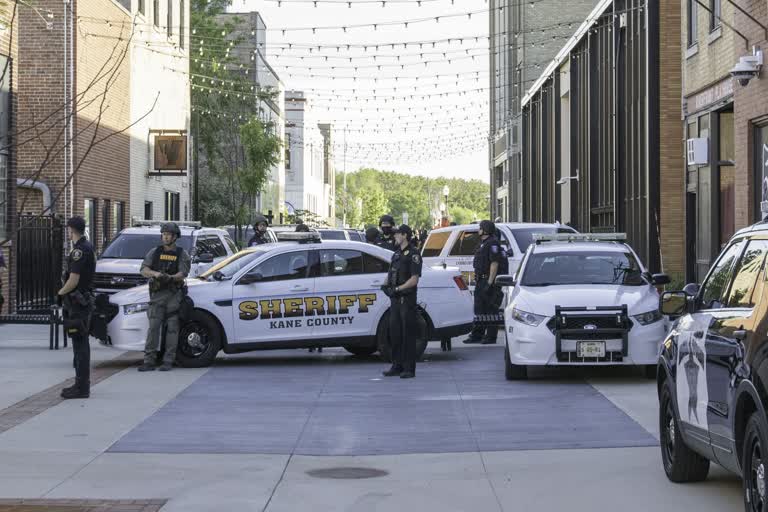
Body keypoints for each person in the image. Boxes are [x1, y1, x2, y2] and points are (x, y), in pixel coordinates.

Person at [138, 223, 191, 372]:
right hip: (157, 295)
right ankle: (149, 361)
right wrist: (156, 274)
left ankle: (168, 360)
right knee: (153, 328)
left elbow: (183, 273)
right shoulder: (155, 252)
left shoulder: (182, 253)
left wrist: (171, 278)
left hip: (173, 294)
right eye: (164, 234)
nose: (165, 236)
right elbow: (144, 269)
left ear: (175, 237)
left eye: (168, 234)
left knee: (172, 328)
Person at [57, 216, 96, 399]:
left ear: (71, 229)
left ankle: (81, 387)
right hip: (83, 301)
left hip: (78, 303)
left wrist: (60, 293)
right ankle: (81, 385)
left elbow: (73, 280)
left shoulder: (79, 251)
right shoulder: (87, 247)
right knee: (81, 344)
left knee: (80, 345)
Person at [381, 224, 422, 379]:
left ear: (405, 235)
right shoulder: (396, 253)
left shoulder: (414, 254)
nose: (394, 236)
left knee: (408, 334)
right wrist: (385, 285)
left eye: (397, 234)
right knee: (395, 333)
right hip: (396, 300)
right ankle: (396, 365)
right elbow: (391, 271)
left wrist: (398, 289)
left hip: (407, 299)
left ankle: (409, 368)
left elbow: (414, 279)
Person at [463, 220, 504, 345]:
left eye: (480, 228)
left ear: (485, 230)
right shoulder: (483, 243)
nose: (478, 230)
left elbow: (494, 263)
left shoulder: (493, 244)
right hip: (481, 280)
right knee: (479, 309)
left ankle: (491, 336)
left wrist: (490, 283)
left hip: (488, 280)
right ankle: (477, 334)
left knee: (491, 310)